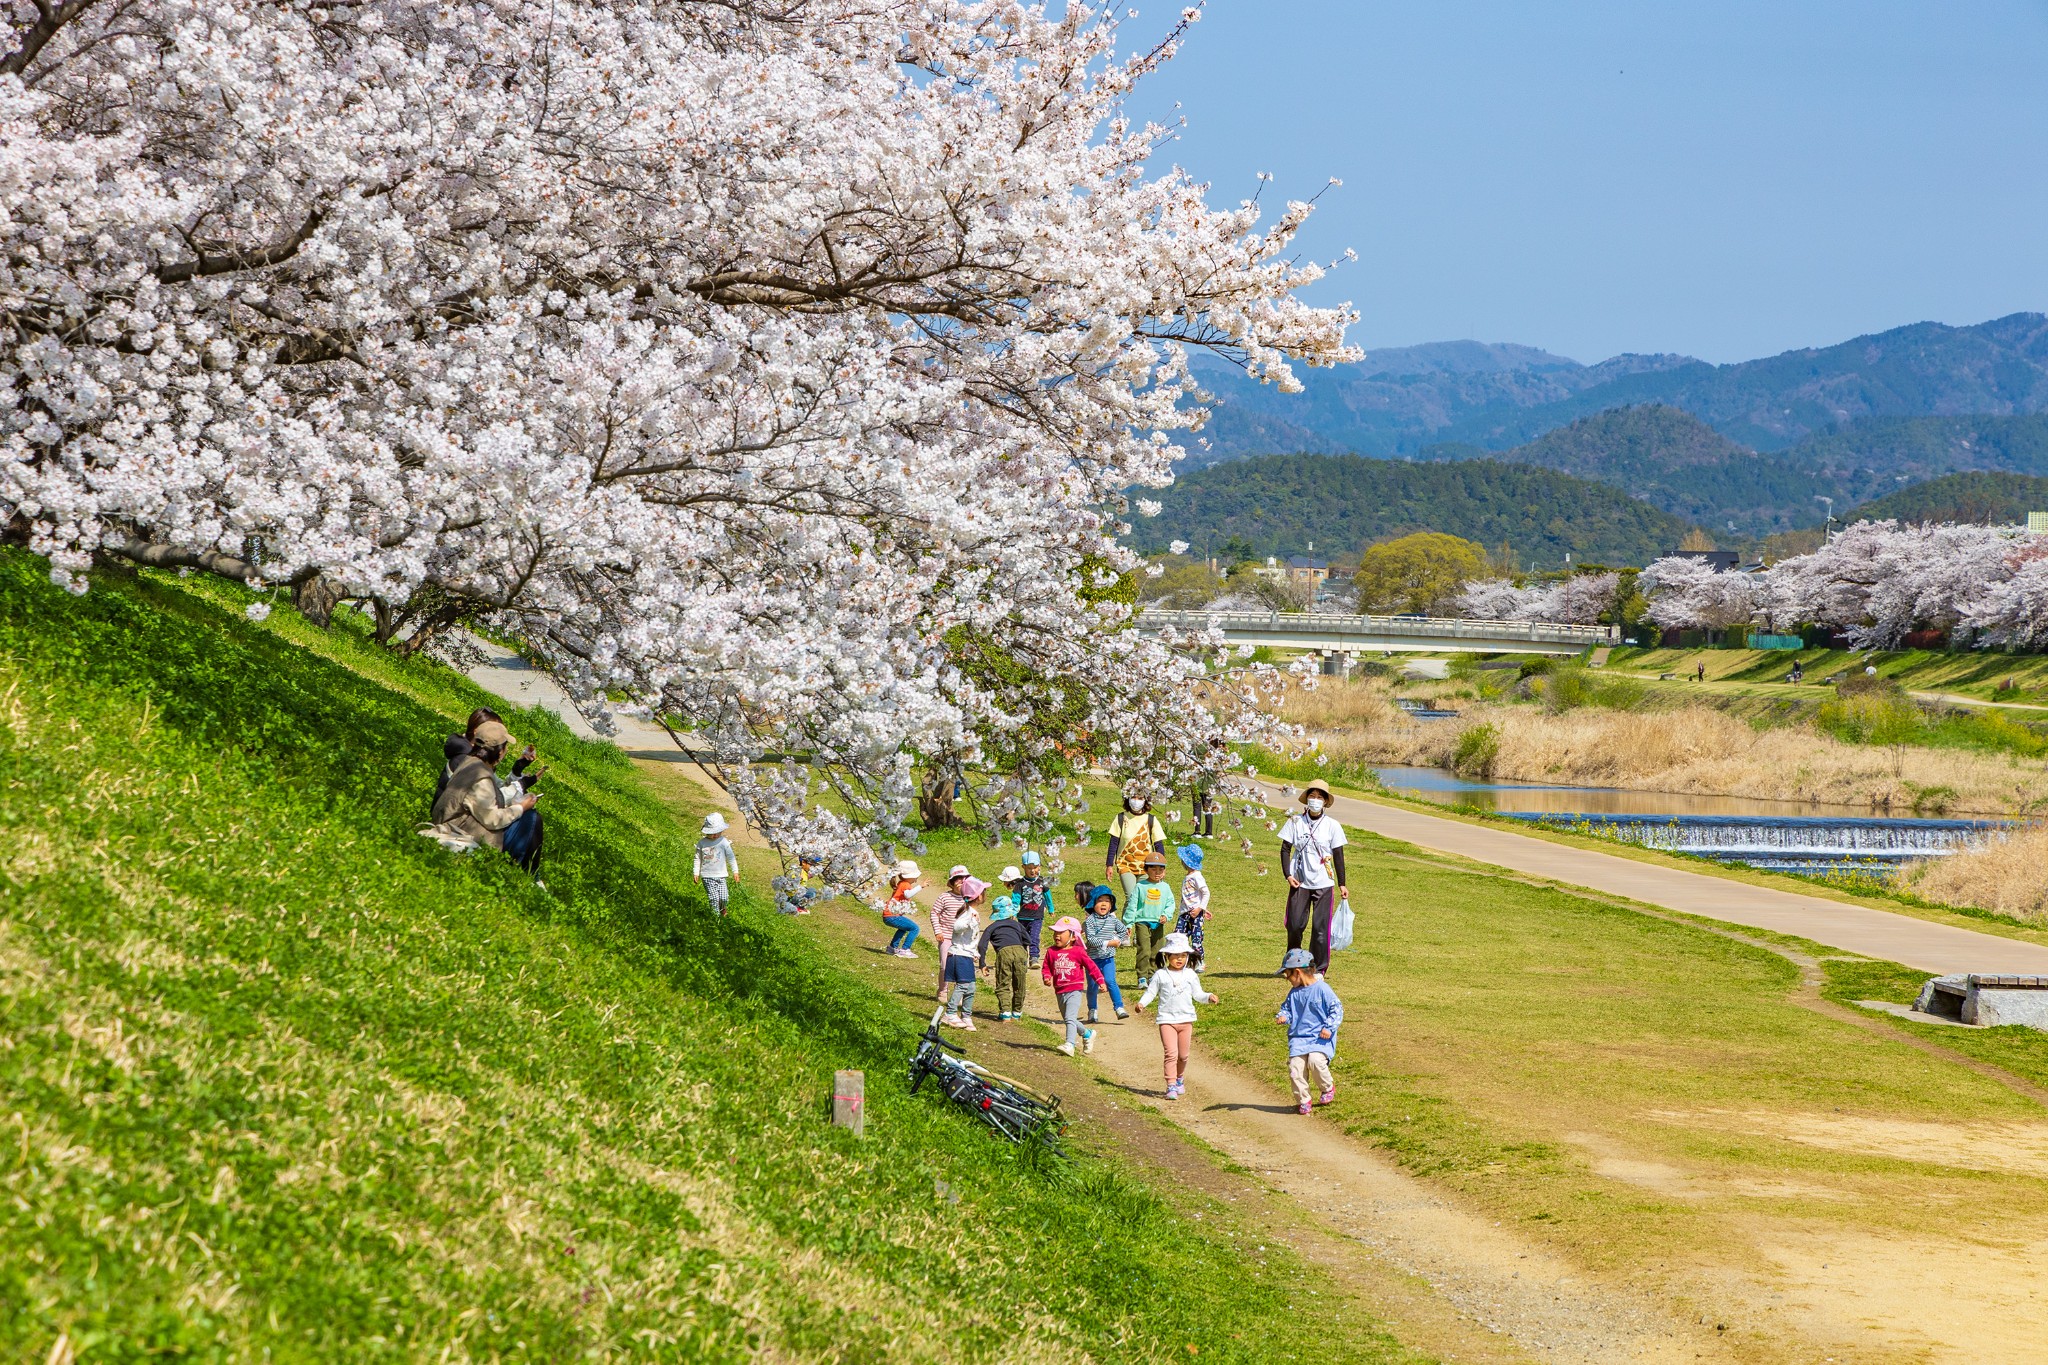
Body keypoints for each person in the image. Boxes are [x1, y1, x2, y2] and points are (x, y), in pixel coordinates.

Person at [427, 719, 542, 868]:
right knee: (531, 818)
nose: (506, 751)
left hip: (454, 824)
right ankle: (525, 873)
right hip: (463, 832)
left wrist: (517, 769)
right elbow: (493, 819)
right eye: (506, 747)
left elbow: (498, 790)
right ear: (500, 751)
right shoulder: (481, 779)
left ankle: (530, 873)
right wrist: (521, 808)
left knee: (529, 818)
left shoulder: (471, 763)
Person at [1136, 932, 1217, 1100]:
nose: (1179, 959)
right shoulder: (1160, 975)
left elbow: (1198, 994)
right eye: (1175, 956)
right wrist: (1142, 1003)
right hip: (1166, 1020)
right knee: (1171, 1054)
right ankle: (1171, 1084)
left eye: (1183, 955)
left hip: (1186, 1020)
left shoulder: (1190, 975)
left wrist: (1208, 997)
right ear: (1167, 956)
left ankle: (1180, 1078)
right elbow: (1151, 993)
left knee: (1183, 1056)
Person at [1278, 780, 1347, 974]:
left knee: (1320, 929)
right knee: (1294, 925)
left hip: (1323, 883)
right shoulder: (1295, 821)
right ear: (1306, 799)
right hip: (1299, 882)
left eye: (1319, 797)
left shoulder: (1332, 825)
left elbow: (1338, 854)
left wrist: (1342, 883)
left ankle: (1318, 969)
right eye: (1312, 796)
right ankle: (1293, 965)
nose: (1315, 800)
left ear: (1325, 802)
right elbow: (1285, 849)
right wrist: (1288, 875)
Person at [1275, 948, 1344, 1115]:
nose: (1287, 978)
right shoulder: (1294, 993)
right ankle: (1304, 1100)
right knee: (1295, 1068)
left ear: (1297, 972)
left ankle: (1327, 1088)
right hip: (1299, 1039)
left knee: (1315, 1061)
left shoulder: (1322, 989)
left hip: (1320, 1038)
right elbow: (1287, 1009)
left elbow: (1337, 1009)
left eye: (1288, 974)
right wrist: (1284, 1015)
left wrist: (1328, 1027)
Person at [1041, 916, 1106, 1057]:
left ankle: (1070, 1044)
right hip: (1059, 990)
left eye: (1061, 933)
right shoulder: (1051, 951)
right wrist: (1047, 977)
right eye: (1055, 933)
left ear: (1072, 936)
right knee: (1069, 1019)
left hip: (1074, 990)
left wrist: (1100, 981)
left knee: (1070, 1018)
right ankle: (1087, 1034)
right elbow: (1046, 967)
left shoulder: (1078, 952)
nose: (1056, 936)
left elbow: (1092, 967)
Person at [1103, 792, 1170, 915]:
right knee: (1131, 897)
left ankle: (1141, 930)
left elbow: (1158, 845)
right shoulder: (1121, 818)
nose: (1136, 801)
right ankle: (1124, 930)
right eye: (1133, 797)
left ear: (1146, 800)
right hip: (1125, 864)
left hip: (1147, 867)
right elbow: (1113, 843)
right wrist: (1109, 865)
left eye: (1140, 798)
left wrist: (1161, 868)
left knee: (1143, 899)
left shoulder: (1151, 820)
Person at [1123, 851, 1176, 990]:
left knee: (1157, 950)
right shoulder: (1140, 886)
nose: (1157, 872)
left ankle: (1153, 975)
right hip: (1142, 922)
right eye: (1153, 868)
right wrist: (1128, 923)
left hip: (1158, 923)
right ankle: (1142, 977)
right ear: (1146, 870)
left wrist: (1166, 915)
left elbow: (1171, 903)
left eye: (1161, 868)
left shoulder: (1165, 887)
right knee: (1144, 950)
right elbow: (1132, 905)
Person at [942, 877, 988, 1030]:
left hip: (967, 954)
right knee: (963, 985)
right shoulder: (968, 913)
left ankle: (966, 1016)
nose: (985, 894)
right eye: (984, 891)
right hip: (959, 955)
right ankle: (950, 1013)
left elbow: (971, 937)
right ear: (978, 896)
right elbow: (957, 927)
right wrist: (969, 921)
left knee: (971, 987)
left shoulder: (971, 911)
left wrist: (975, 952)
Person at [979, 893, 1033, 1021]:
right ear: (1011, 913)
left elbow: (982, 945)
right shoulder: (1018, 925)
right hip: (1020, 952)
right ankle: (1017, 1012)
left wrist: (982, 963)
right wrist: (1025, 955)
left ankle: (1005, 1012)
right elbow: (1028, 940)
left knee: (1003, 983)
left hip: (1004, 953)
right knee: (1020, 984)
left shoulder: (991, 927)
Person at [1081, 885, 1130, 1023]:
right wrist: (1109, 943)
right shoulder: (1090, 921)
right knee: (1092, 986)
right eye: (1100, 900)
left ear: (1111, 905)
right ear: (1093, 904)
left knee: (1110, 981)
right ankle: (1092, 1010)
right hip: (1092, 960)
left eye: (1107, 901)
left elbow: (1123, 931)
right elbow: (1091, 940)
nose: (1103, 903)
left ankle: (1119, 1008)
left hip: (1108, 958)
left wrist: (1118, 940)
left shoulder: (1113, 920)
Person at [929, 865, 973, 1003]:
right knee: (944, 965)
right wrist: (938, 931)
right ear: (952, 882)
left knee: (959, 967)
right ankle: (943, 990)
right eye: (957, 880)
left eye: (963, 880)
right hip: (946, 936)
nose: (960, 883)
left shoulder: (969, 899)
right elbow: (934, 913)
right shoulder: (945, 897)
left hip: (961, 940)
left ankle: (957, 994)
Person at [694, 812, 740, 916]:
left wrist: (735, 872)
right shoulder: (702, 843)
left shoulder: (723, 842)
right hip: (707, 876)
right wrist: (696, 873)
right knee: (713, 898)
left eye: (717, 832)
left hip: (721, 875)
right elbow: (697, 859)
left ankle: (722, 908)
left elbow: (731, 857)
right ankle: (715, 917)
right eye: (712, 833)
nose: (714, 835)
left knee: (724, 897)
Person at [1013, 851, 1053, 967]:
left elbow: (1048, 896)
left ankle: (1034, 958)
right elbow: (1016, 899)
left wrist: (1051, 909)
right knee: (1023, 938)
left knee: (1034, 937)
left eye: (1035, 867)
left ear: (1039, 866)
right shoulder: (1020, 884)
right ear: (1023, 867)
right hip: (1022, 916)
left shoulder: (1042, 881)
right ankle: (1022, 957)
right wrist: (1014, 912)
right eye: (1029, 868)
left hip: (1037, 917)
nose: (1032, 871)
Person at [1176, 843, 1211, 971]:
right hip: (1184, 912)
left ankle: (1199, 962)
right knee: (1179, 936)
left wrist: (1201, 908)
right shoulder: (1188, 876)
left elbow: (1206, 892)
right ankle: (1179, 960)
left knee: (1196, 938)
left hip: (1195, 913)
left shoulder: (1197, 876)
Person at [882, 860, 923, 957]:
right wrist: (921, 886)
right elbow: (908, 894)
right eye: (915, 876)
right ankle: (905, 949)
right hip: (892, 915)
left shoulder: (901, 883)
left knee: (903, 929)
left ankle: (892, 948)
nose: (916, 878)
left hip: (888, 915)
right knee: (915, 928)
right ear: (910, 876)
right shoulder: (905, 884)